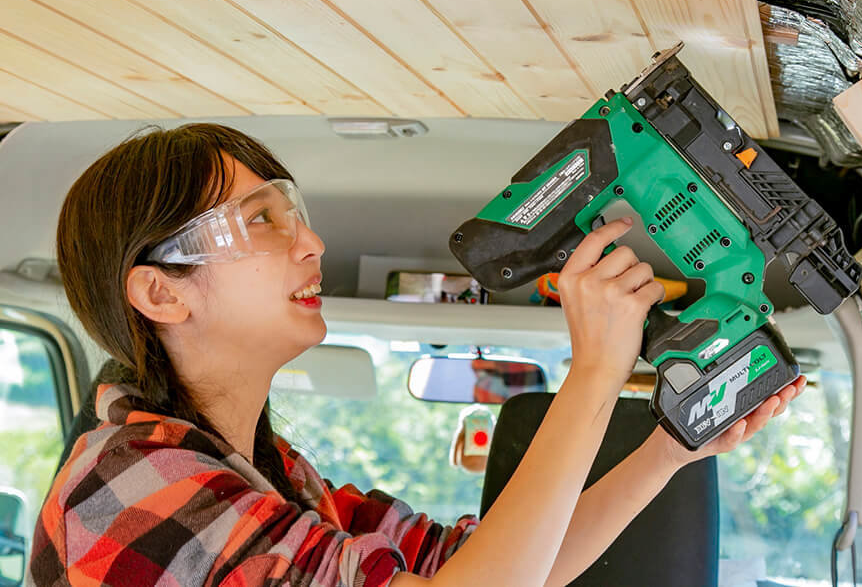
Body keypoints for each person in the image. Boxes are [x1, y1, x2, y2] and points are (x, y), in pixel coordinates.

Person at [30, 123, 805, 586]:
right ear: (163, 296)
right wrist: (595, 371)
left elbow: (508, 567)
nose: (313, 244)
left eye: (292, 212)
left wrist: (667, 451)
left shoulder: (278, 481)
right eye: (261, 221)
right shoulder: (127, 483)